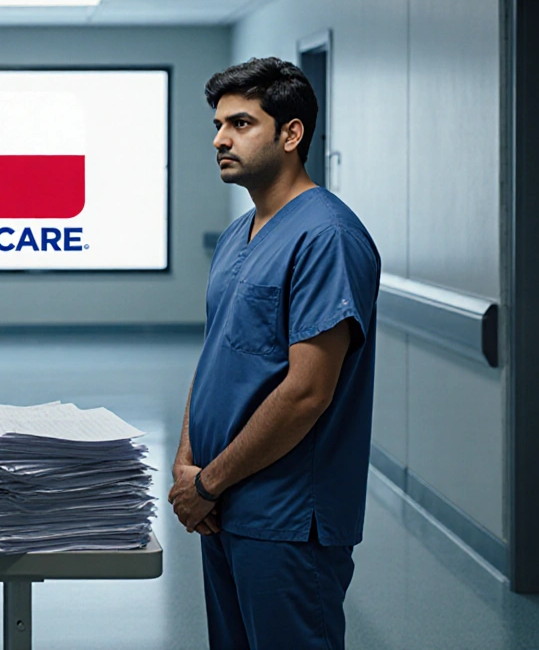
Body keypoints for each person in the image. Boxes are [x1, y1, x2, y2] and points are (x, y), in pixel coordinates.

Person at [169, 57, 381, 649]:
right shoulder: (243, 231)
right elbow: (217, 356)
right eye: (217, 125)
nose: (219, 139)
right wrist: (190, 465)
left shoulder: (327, 237)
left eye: (240, 123)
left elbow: (307, 392)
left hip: (285, 516)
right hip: (223, 502)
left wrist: (208, 482)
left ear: (291, 134)